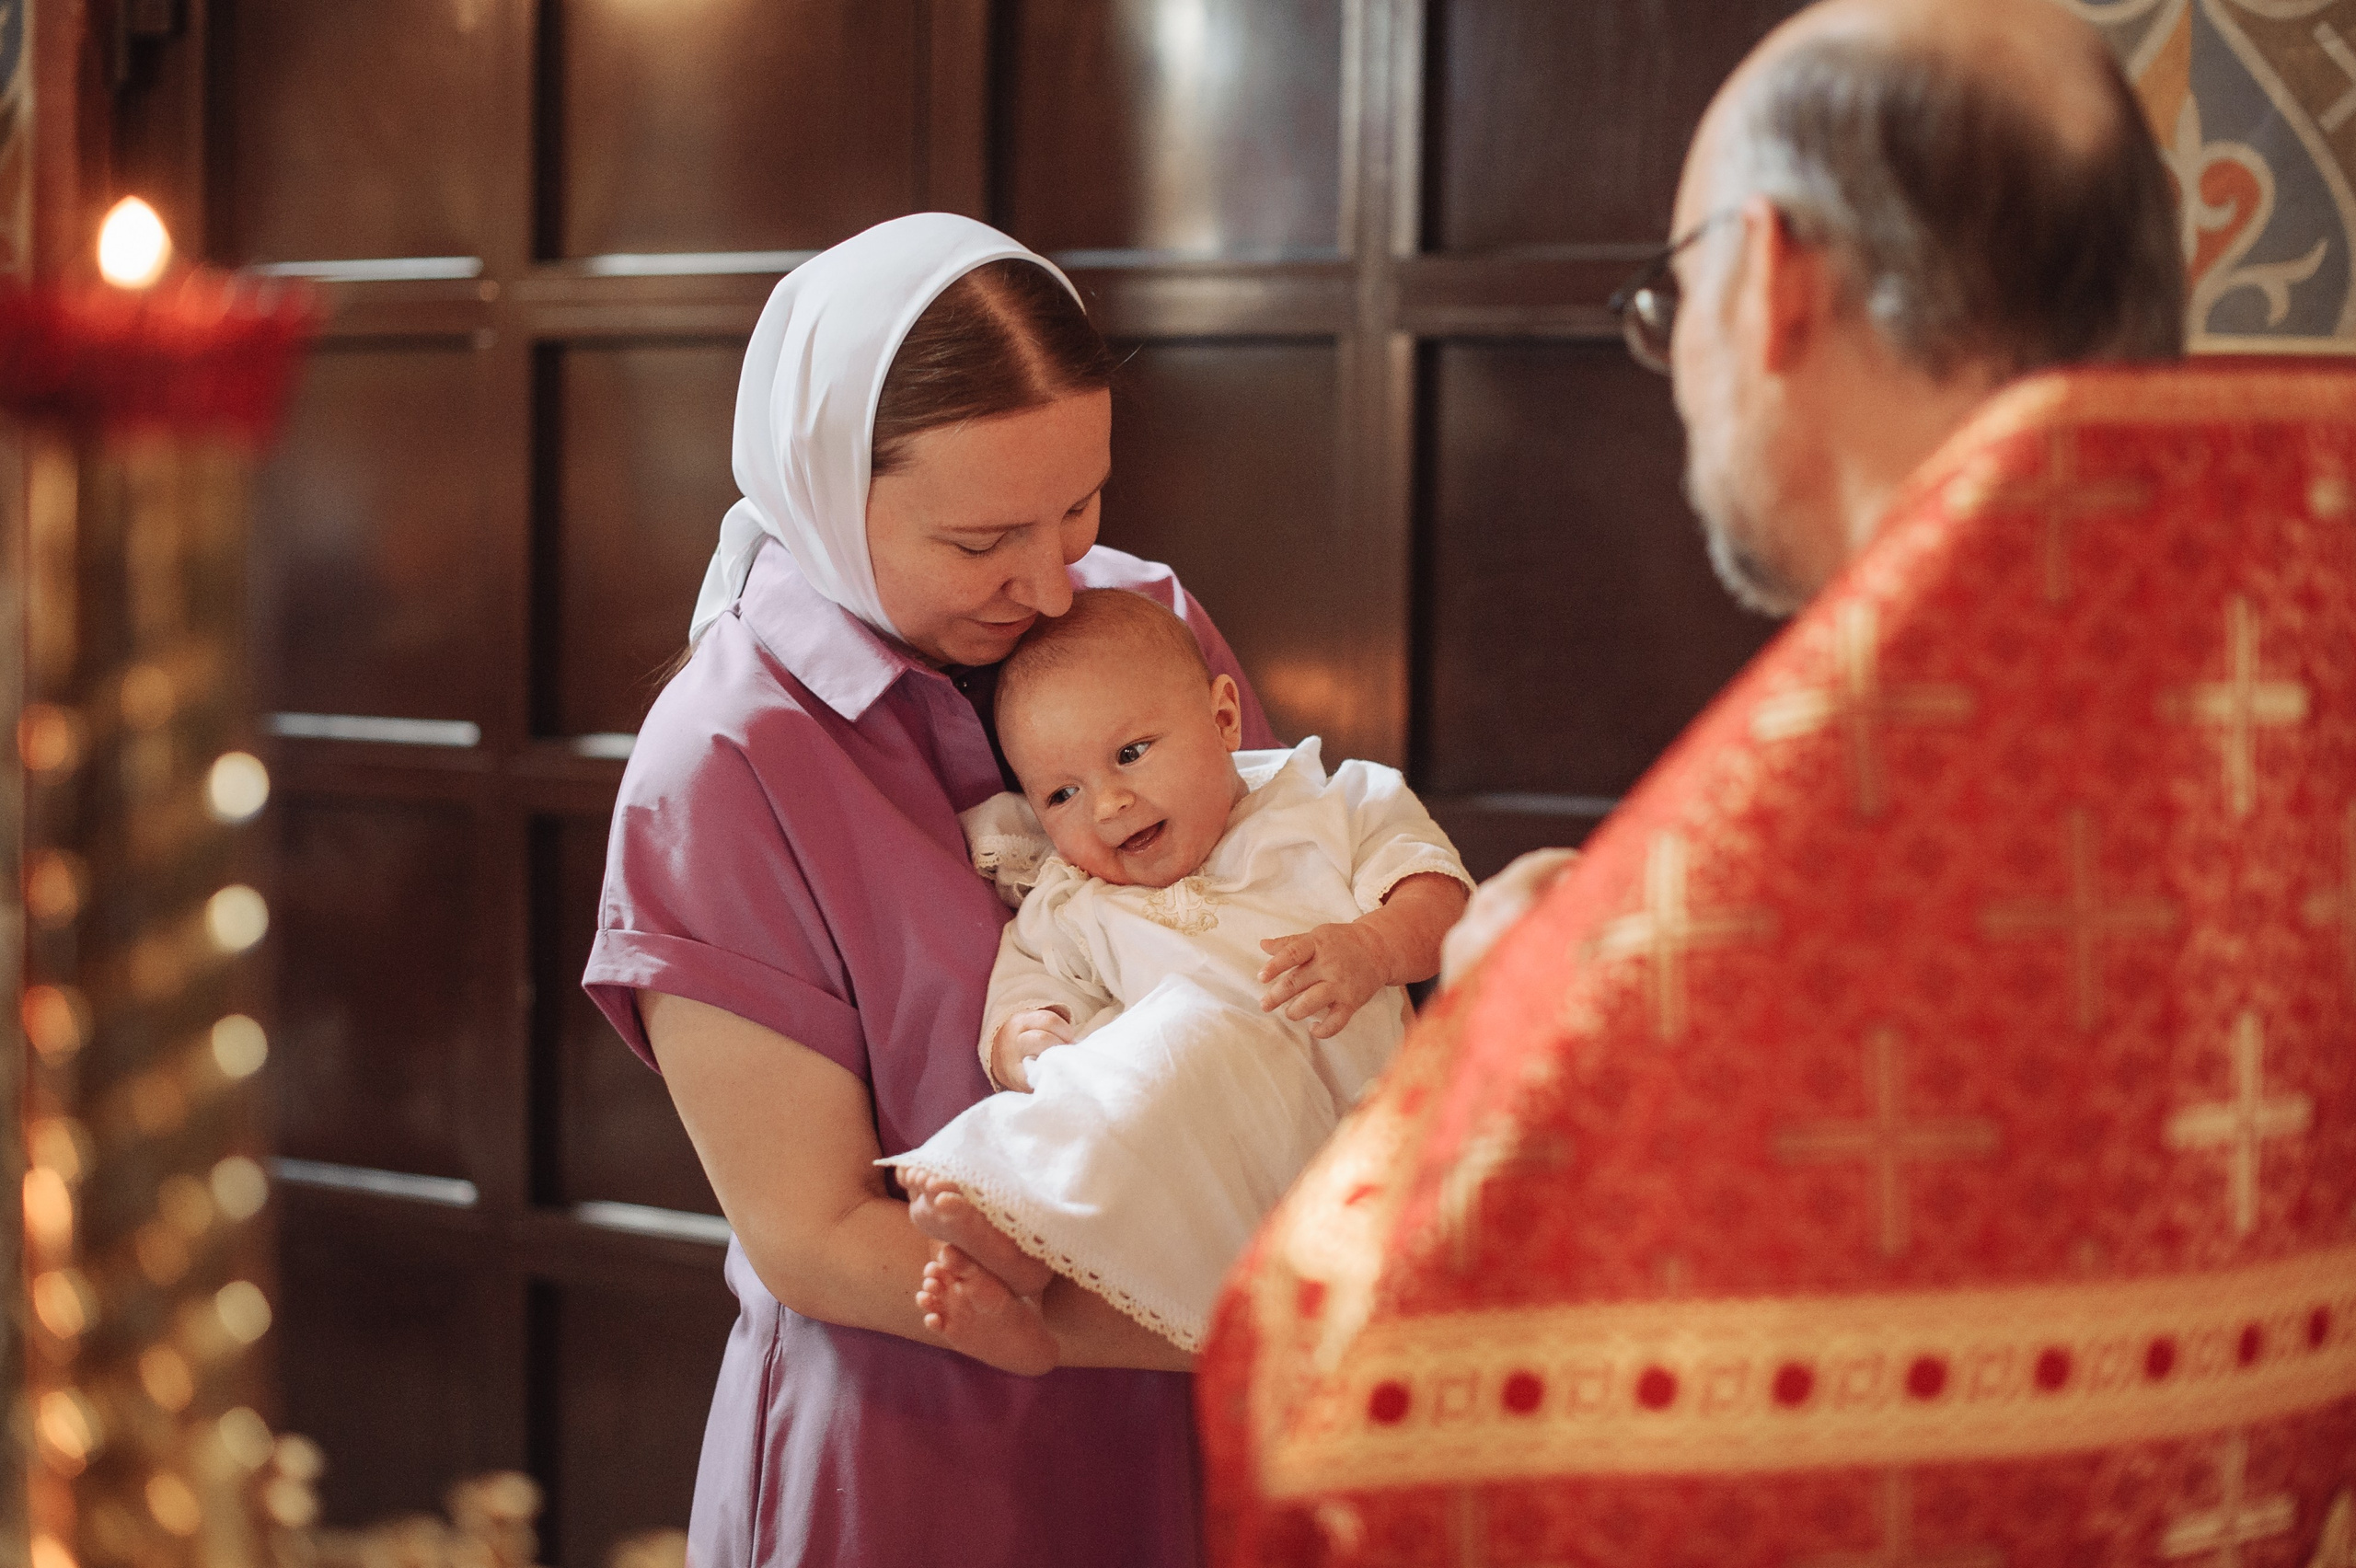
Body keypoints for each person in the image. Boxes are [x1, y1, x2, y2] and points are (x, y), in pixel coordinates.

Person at [1200, 0, 2356, 1562]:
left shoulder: (1709, 924)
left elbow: (1323, 1422)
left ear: (1775, 280)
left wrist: (1509, 1022)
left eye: (1673, 294)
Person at [583, 213, 1280, 1568]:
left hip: (1196, 1422)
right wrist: (1233, 1308)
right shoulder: (727, 760)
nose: (1049, 580)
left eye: (1079, 506)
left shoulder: (1145, 619)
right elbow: (815, 1233)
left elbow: (1268, 914)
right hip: (922, 1455)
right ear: (824, 490)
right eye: (981, 539)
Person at [880, 590, 1471, 1373]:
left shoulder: (1333, 805)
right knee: (1101, 1079)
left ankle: (1032, 1264)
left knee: (1187, 1035)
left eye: (1130, 754)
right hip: (1203, 1171)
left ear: (1224, 720)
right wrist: (1025, 1039)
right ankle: (1023, 1270)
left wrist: (1372, 945)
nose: (1111, 803)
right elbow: (1028, 985)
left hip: (1351, 1140)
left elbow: (1440, 896)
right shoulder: (1073, 899)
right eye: (1063, 794)